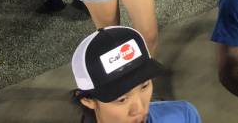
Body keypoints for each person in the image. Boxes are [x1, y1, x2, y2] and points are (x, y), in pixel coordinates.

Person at [72, 26, 201, 123]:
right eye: (121, 99)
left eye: (144, 86)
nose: (140, 109)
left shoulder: (183, 115)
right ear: (88, 101)